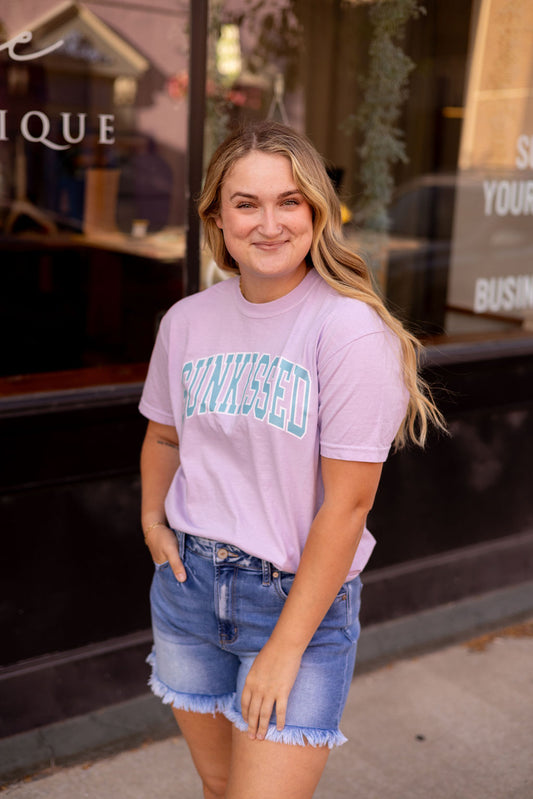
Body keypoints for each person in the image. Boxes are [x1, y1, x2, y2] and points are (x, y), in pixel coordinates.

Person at [139, 120, 444, 799]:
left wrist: (283, 648)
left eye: (289, 201)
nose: (268, 223)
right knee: (220, 786)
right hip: (188, 587)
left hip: (292, 599)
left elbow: (347, 505)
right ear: (217, 216)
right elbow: (163, 436)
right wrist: (153, 523)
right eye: (246, 203)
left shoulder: (347, 330)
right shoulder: (187, 320)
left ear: (317, 211)